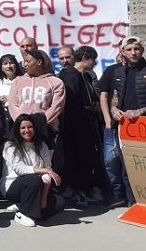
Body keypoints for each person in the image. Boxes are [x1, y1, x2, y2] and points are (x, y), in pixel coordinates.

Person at [100, 36, 146, 207]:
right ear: (123, 52)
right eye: (129, 49)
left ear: (142, 50)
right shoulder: (116, 71)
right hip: (125, 126)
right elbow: (113, 95)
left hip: (143, 123)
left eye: (137, 49)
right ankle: (132, 204)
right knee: (128, 166)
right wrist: (113, 110)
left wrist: (140, 111)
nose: (133, 52)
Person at [56, 45, 103, 206]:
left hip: (79, 126)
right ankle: (79, 193)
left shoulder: (82, 76)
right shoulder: (72, 75)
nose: (94, 64)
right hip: (76, 128)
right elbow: (72, 104)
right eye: (93, 60)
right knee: (78, 160)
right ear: (84, 58)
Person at [0, 114, 64, 227]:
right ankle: (23, 214)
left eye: (30, 127)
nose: (27, 130)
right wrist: (45, 171)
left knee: (59, 203)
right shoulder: (10, 146)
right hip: (13, 186)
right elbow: (20, 169)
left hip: (37, 186)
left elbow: (48, 170)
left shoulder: (42, 146)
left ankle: (23, 206)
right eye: (23, 128)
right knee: (34, 179)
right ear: (17, 130)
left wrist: (44, 200)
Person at [8, 49, 66, 132]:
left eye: (28, 61)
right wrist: (23, 124)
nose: (24, 65)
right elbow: (13, 104)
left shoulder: (56, 82)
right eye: (24, 61)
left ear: (39, 62)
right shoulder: (18, 81)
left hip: (47, 130)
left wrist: (39, 124)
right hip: (23, 131)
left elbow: (56, 107)